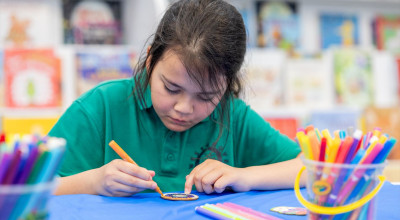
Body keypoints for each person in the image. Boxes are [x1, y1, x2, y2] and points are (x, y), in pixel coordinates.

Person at [50, 0, 305, 197]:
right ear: (150, 61)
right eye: (171, 88)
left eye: (206, 96)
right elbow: (23, 189)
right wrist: (93, 182)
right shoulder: (101, 107)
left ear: (227, 85)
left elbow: (312, 168)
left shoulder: (232, 116)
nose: (183, 108)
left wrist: (244, 176)